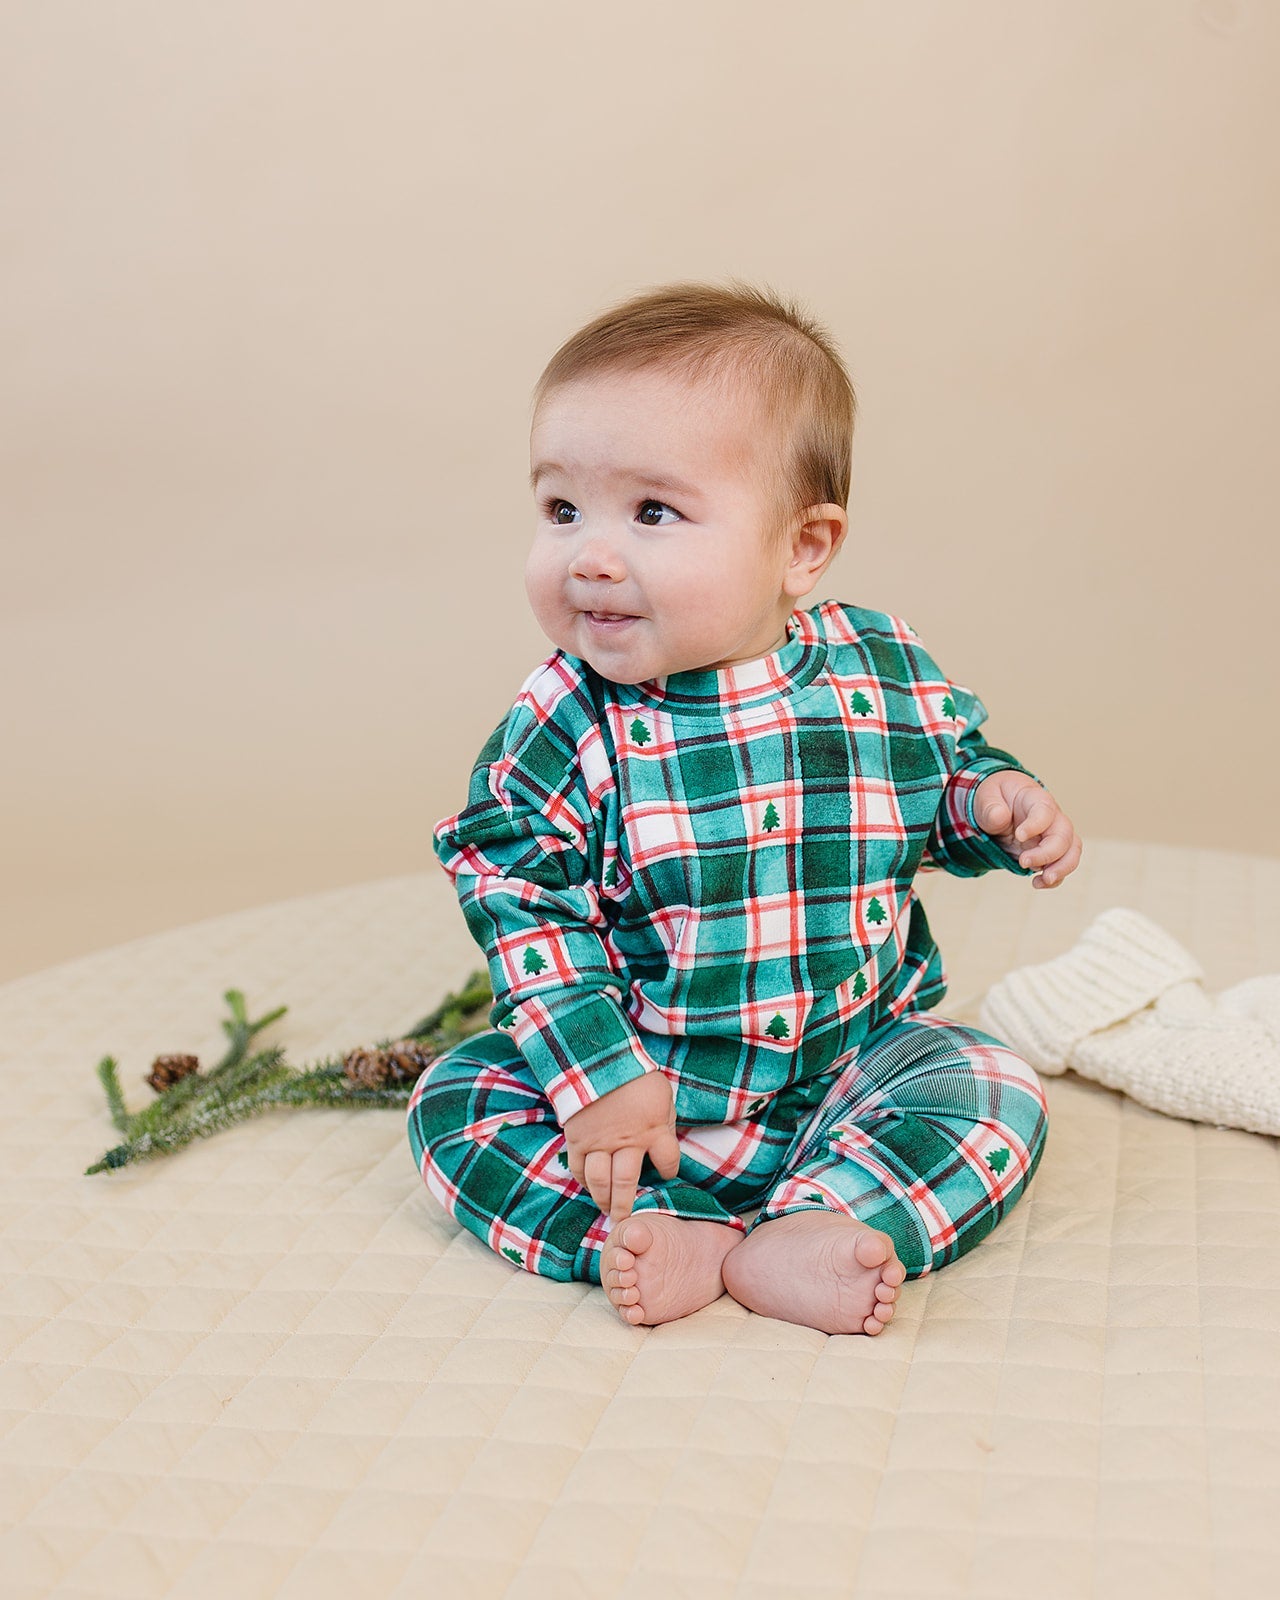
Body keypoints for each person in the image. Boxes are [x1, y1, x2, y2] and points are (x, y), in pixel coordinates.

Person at [407, 280, 1081, 1336]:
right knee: (455, 1105)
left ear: (801, 547)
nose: (590, 555)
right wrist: (598, 1078)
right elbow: (517, 895)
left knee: (993, 1088)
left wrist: (989, 804)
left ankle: (816, 1222)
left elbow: (932, 787)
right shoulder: (565, 718)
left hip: (849, 1068)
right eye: (561, 509)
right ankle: (663, 1229)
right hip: (644, 1098)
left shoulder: (877, 669)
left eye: (653, 513)